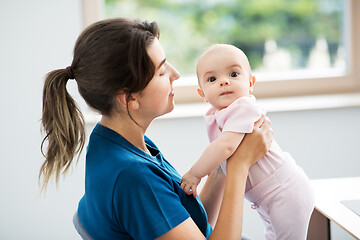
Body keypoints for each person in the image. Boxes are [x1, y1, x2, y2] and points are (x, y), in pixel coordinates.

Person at [39, 18, 273, 240]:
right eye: (162, 72)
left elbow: (186, 225)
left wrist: (222, 164)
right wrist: (239, 165)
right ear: (129, 98)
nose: (176, 74)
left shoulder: (115, 140)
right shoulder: (133, 177)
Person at [180, 44, 315, 240]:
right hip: (265, 198)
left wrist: (195, 174)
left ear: (250, 82)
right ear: (202, 93)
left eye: (234, 74)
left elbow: (226, 146)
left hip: (285, 192)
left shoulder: (243, 107)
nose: (224, 82)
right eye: (212, 79)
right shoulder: (217, 115)